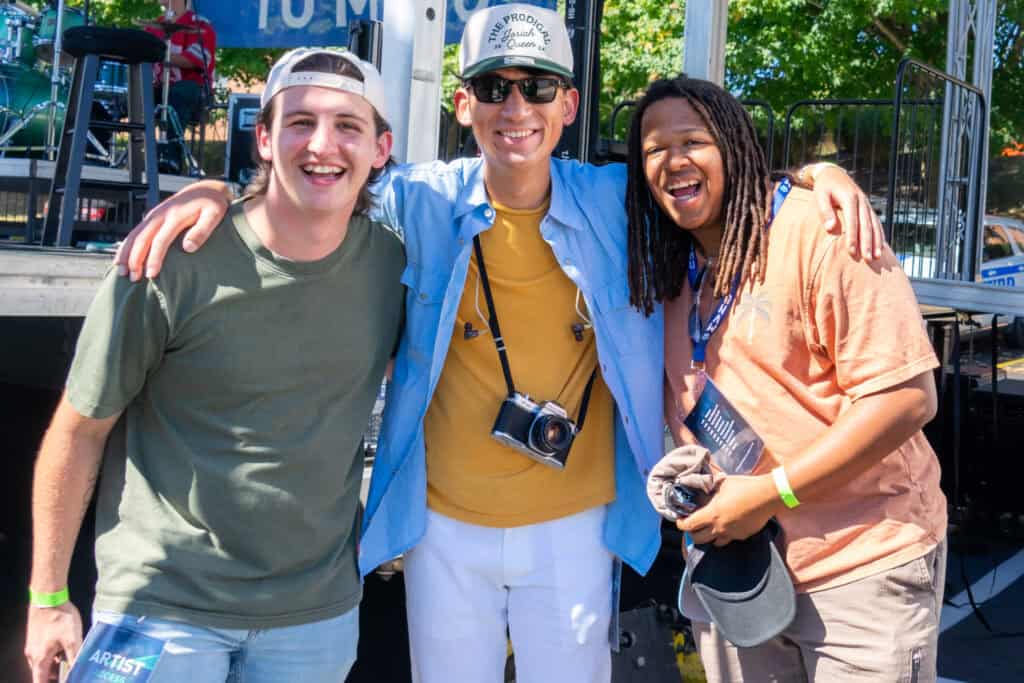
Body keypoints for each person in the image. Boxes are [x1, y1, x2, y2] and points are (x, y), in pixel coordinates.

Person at [111, 5, 882, 681]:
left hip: (578, 525)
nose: (517, 107)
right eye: (493, 87)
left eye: (538, 86)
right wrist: (216, 189)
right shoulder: (418, 201)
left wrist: (812, 176)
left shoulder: (617, 202)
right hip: (443, 523)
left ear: (569, 103)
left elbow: (702, 177)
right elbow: (317, 180)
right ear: (463, 103)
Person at [23, 49, 403, 683]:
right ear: (262, 136)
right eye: (300, 122)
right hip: (160, 609)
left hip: (313, 619)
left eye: (347, 126)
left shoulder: (392, 266)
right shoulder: (171, 259)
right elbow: (78, 429)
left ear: (381, 148)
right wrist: (48, 599)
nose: (322, 145)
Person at [627, 75, 947, 682]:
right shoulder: (667, 267)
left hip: (861, 568)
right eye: (652, 151)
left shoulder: (823, 231)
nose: (673, 162)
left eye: (692, 140)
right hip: (741, 576)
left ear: (735, 145)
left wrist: (773, 494)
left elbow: (907, 398)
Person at [144, 0, 216, 128]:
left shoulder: (201, 26)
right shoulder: (152, 27)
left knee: (179, 93)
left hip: (192, 92)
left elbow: (192, 60)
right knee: (132, 96)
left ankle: (172, 146)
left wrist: (155, 55)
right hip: (159, 88)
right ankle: (137, 144)